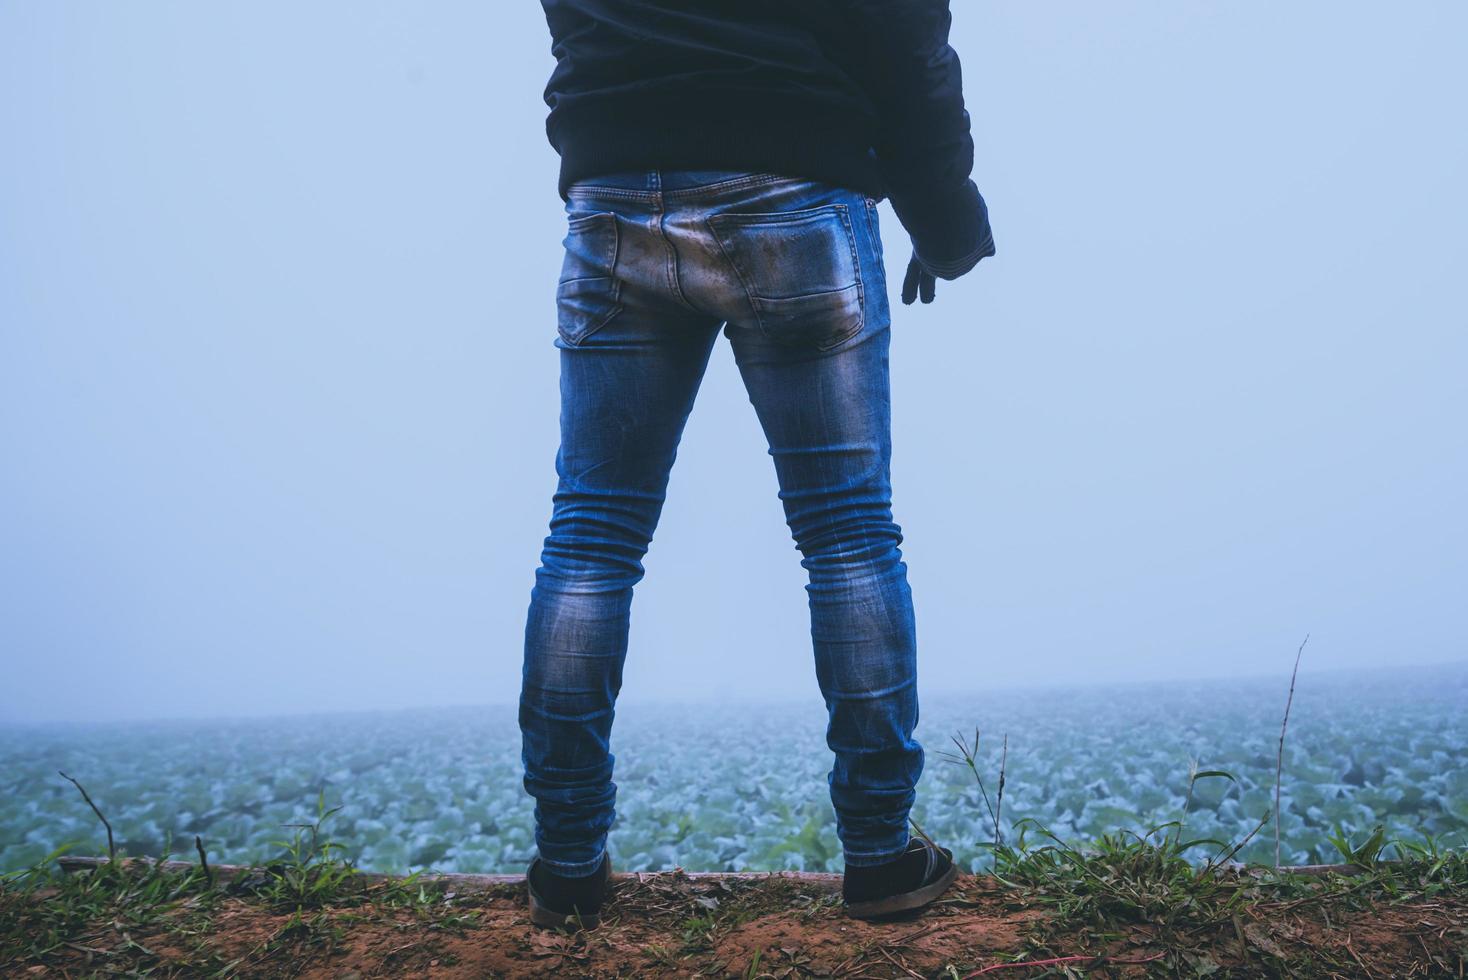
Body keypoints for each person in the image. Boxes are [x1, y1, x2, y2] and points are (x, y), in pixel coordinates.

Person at [520, 0, 995, 929]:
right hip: (794, 186)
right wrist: (943, 221)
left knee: (590, 539)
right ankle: (882, 857)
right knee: (849, 536)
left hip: (614, 196)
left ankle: (569, 866)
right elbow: (905, 35)